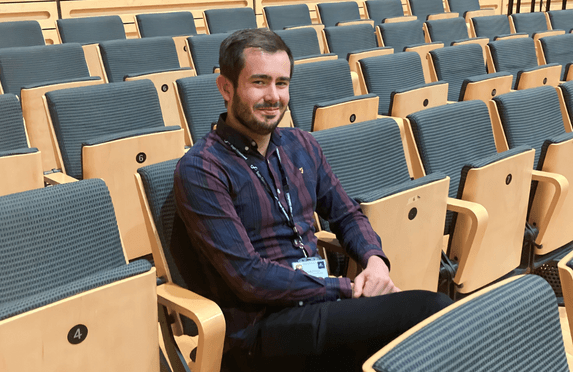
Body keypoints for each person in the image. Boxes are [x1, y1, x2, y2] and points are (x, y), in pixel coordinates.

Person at [174, 28, 452, 371]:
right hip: (263, 327)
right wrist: (344, 287)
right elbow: (248, 277)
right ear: (225, 88)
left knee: (426, 330)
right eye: (259, 82)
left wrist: (375, 260)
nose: (273, 96)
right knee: (431, 311)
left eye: (282, 83)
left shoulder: (300, 145)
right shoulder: (203, 168)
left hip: (320, 307)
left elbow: (347, 214)